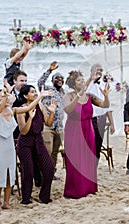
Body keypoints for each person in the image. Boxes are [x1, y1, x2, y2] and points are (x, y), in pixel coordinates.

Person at [0, 85, 53, 211]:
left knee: (10, 173)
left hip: (10, 146)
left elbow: (29, 107)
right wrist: (8, 93)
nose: (6, 98)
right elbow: (1, 108)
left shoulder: (13, 110)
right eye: (3, 96)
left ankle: (6, 202)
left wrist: (40, 97)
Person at [63, 70, 110, 199]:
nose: (82, 82)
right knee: (75, 159)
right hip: (74, 129)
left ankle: (88, 188)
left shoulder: (90, 96)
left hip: (88, 128)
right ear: (73, 83)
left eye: (83, 80)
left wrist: (106, 96)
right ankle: (75, 190)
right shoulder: (69, 96)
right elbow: (68, 110)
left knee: (89, 158)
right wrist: (78, 96)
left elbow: (105, 105)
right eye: (79, 80)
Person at [16, 85, 56, 204]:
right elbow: (23, 131)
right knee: (28, 173)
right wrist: (30, 118)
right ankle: (26, 199)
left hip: (38, 141)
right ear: (25, 96)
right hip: (25, 144)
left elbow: (48, 123)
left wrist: (52, 112)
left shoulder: (40, 105)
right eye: (32, 92)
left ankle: (44, 197)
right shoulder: (21, 109)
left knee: (49, 168)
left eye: (35, 92)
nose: (35, 94)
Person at [37, 61, 65, 179]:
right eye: (56, 78)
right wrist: (49, 70)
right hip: (48, 127)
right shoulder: (48, 89)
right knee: (47, 152)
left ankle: (51, 173)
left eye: (61, 78)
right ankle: (43, 174)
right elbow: (40, 82)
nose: (59, 79)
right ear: (52, 80)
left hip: (59, 127)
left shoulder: (64, 93)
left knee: (55, 153)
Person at [86, 64, 115, 167]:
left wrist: (112, 123)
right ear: (91, 71)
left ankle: (94, 167)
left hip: (101, 118)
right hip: (89, 119)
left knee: (98, 143)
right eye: (96, 70)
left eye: (101, 70)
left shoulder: (103, 85)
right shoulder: (87, 84)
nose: (99, 72)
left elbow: (108, 107)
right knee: (88, 143)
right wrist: (91, 79)